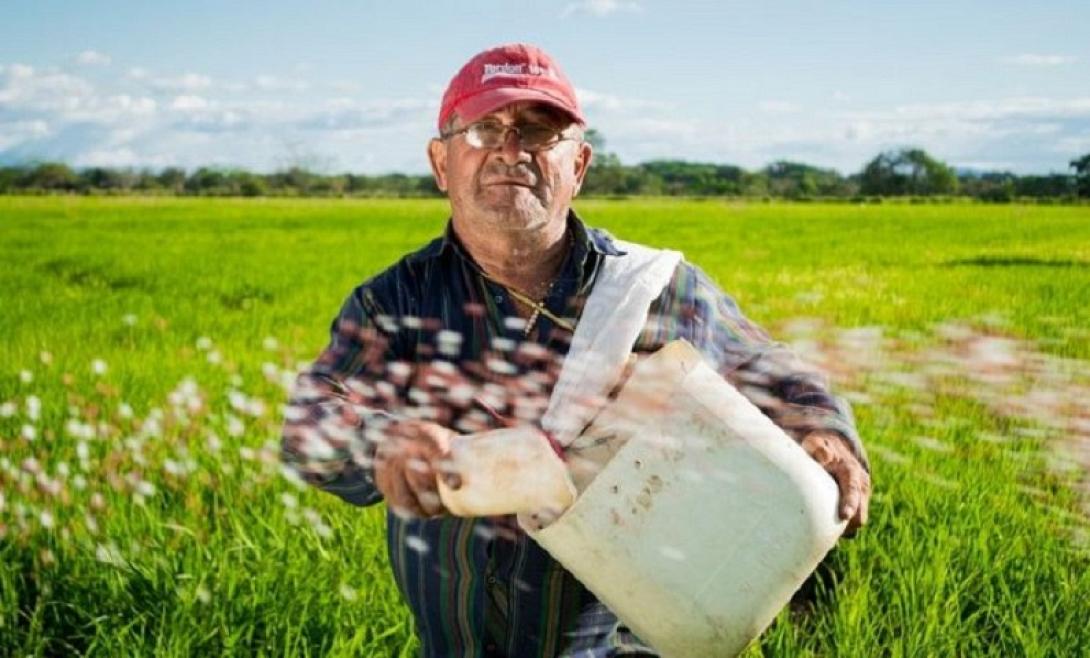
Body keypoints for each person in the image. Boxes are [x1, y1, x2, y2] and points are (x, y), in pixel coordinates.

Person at [282, 42, 871, 658]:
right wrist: (379, 444)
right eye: (485, 128)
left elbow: (771, 371)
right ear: (441, 163)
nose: (512, 149)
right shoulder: (395, 301)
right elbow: (310, 421)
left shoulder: (652, 291)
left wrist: (822, 428)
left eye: (539, 131)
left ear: (579, 165)